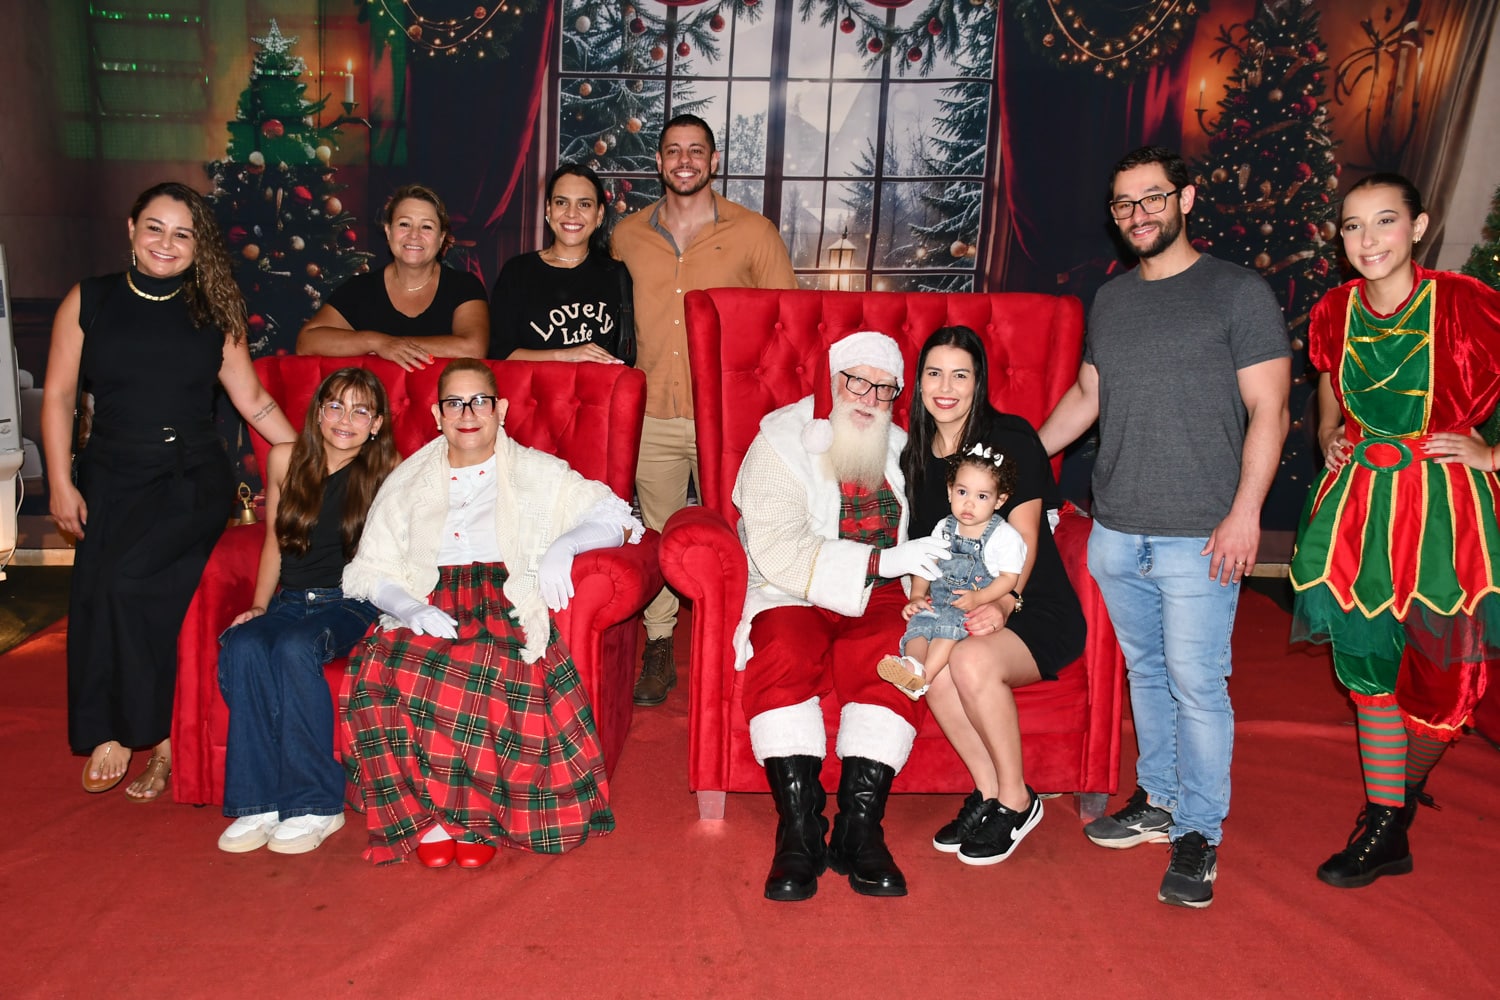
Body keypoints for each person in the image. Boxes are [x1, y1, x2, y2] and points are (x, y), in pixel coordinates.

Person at [1038, 146, 1291, 908]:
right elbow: (1088, 397)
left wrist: (1245, 513)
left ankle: (1199, 832)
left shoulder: (1236, 293)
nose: (1138, 214)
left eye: (1152, 198)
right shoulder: (1112, 300)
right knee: (1147, 674)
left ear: (1186, 198)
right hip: (1118, 531)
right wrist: (1019, 456)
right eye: (1124, 204)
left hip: (1201, 534)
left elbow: (1271, 410)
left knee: (1197, 684)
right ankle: (1159, 798)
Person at [41, 180, 299, 800]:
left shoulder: (213, 310)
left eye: (182, 234)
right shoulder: (90, 299)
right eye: (155, 227)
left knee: (131, 583)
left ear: (197, 245)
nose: (166, 243)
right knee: (98, 593)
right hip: (109, 473)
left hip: (190, 479)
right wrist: (59, 481)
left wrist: (309, 455)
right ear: (131, 229)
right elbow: (59, 395)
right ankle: (113, 729)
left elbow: (252, 400)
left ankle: (155, 733)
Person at [338, 358, 642, 868]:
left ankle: (472, 819)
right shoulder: (407, 479)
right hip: (429, 595)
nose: (467, 414)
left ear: (500, 409)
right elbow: (369, 569)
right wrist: (408, 607)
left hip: (504, 594)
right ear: (437, 415)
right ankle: (428, 817)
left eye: (479, 401)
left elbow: (615, 515)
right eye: (454, 403)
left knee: (486, 665)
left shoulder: (537, 471)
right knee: (380, 667)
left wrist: (564, 546)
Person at [1289, 173, 1500, 889]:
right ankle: (1384, 825)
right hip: (1357, 508)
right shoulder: (1334, 310)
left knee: (1447, 681)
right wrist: (1329, 433)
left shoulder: (1466, 303)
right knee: (1368, 668)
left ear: (1419, 226)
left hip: (1445, 512)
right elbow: (1327, 381)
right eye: (1352, 226)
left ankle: (1399, 798)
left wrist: (1492, 455)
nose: (1367, 239)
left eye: (1384, 221)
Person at [734, 330, 950, 901]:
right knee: (783, 650)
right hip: (792, 588)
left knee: (894, 654)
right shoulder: (780, 439)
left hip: (884, 592)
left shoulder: (905, 448)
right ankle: (799, 830)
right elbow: (776, 548)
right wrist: (880, 559)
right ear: (831, 382)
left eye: (884, 388)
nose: (869, 398)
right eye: (857, 382)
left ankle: (859, 828)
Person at [612, 113, 798, 707]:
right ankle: (660, 644)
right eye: (673, 150)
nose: (685, 160)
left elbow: (785, 324)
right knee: (661, 533)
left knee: (743, 530)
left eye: (696, 150)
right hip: (652, 415)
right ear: (659, 162)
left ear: (714, 161)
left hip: (729, 420)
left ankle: (742, 643)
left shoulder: (754, 233)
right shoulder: (626, 235)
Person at [902, 326, 1086, 867]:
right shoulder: (917, 454)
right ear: (919, 382)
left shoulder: (1011, 437)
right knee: (929, 666)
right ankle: (988, 793)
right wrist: (919, 597)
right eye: (934, 374)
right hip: (956, 604)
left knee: (971, 660)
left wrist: (1004, 603)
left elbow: (1026, 535)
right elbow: (928, 546)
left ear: (978, 382)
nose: (946, 388)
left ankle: (1018, 800)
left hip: (1030, 603)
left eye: (960, 375)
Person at [216, 368, 400, 855]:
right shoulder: (284, 458)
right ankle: (260, 801)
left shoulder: (387, 472)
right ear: (319, 412)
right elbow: (274, 542)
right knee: (244, 643)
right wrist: (259, 606)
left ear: (376, 424)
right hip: (292, 600)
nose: (345, 419)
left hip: (352, 603)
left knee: (296, 647)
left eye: (361, 411)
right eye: (335, 406)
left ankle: (318, 803)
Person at [878, 445, 1026, 701]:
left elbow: (1009, 579)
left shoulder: (1003, 536)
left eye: (982, 496)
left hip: (973, 604)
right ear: (950, 491)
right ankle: (911, 665)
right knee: (919, 623)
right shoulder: (944, 526)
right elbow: (926, 562)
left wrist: (978, 599)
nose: (969, 503)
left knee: (948, 625)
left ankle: (923, 679)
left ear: (1000, 500)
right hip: (939, 599)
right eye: (962, 492)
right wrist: (917, 596)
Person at [296, 184, 489, 370]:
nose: (414, 235)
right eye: (404, 224)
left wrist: (396, 346)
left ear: (441, 238)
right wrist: (378, 343)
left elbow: (472, 349)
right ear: (388, 232)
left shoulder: (464, 286)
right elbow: (306, 342)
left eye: (427, 227)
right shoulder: (360, 289)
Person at [489, 163, 634, 364]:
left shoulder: (617, 275)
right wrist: (565, 356)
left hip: (599, 385)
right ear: (548, 209)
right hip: (534, 386)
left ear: (599, 214)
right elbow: (499, 356)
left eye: (584, 204)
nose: (572, 213)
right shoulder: (518, 272)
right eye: (561, 202)